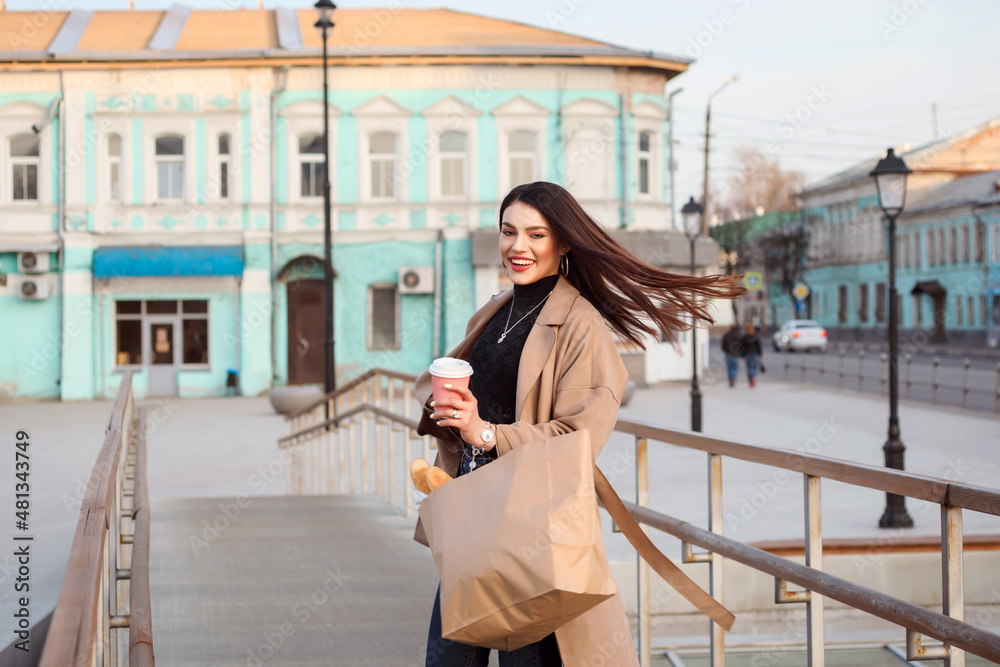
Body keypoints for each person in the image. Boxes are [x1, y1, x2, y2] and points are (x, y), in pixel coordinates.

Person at [413, 181, 745, 667]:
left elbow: (578, 439)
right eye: (508, 232)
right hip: (476, 519)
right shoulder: (495, 310)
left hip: (533, 532)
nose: (517, 247)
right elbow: (477, 410)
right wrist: (451, 418)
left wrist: (486, 433)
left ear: (563, 242)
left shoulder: (581, 325)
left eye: (535, 234)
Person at [721, 323, 743, 387]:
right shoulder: (738, 335)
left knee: (729, 368)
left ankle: (730, 380)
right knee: (735, 367)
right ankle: (734, 376)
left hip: (728, 353)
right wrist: (740, 353)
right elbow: (741, 345)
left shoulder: (726, 335)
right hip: (735, 354)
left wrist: (725, 350)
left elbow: (723, 344)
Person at [741, 323, 763, 387]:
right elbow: (759, 347)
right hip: (755, 354)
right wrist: (760, 355)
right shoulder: (756, 337)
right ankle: (754, 376)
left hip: (747, 354)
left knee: (749, 368)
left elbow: (742, 347)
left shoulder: (744, 337)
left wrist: (742, 355)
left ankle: (750, 381)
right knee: (755, 367)